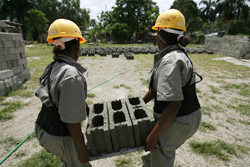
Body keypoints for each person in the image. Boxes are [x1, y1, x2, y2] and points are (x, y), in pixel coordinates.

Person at [142, 9, 202, 167]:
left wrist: (153, 136)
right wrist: (139, 103)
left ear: (160, 36)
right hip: (190, 114)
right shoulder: (176, 54)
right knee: (151, 153)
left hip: (179, 118)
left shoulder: (170, 61)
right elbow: (156, 89)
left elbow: (174, 104)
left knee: (160, 151)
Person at [35, 19, 92, 167]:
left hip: (43, 128)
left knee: (68, 161)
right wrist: (82, 149)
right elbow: (72, 121)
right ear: (77, 45)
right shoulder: (70, 74)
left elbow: (65, 97)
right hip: (58, 134)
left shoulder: (54, 65)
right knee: (80, 164)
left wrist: (87, 109)